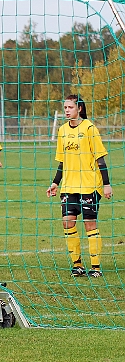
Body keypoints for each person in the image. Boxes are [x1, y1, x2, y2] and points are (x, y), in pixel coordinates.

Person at [46, 94, 112, 278]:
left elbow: (100, 158)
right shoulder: (62, 131)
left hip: (89, 185)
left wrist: (106, 185)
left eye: (70, 107)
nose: (67, 110)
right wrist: (55, 183)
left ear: (79, 109)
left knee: (89, 224)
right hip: (69, 185)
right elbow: (62, 162)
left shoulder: (90, 128)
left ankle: (96, 267)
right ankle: (77, 265)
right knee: (67, 222)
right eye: (65, 107)